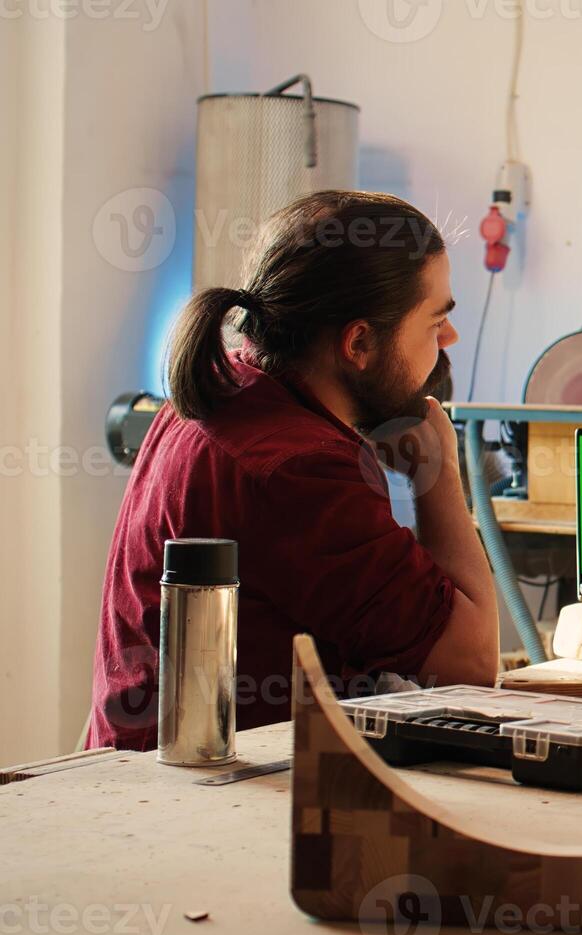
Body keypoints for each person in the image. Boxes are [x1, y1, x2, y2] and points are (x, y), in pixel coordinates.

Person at [89, 190, 499, 749]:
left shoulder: (221, 392)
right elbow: (471, 664)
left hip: (142, 781)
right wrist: (439, 469)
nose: (448, 339)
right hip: (213, 808)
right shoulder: (301, 471)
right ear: (358, 343)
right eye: (434, 323)